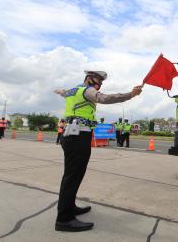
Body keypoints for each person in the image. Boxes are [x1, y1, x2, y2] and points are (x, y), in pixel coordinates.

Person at [53, 70, 142, 232]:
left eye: (100, 83)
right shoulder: (87, 90)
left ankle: (69, 207)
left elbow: (62, 92)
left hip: (71, 135)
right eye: (97, 81)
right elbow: (104, 98)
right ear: (88, 79)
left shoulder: (72, 91)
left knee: (72, 175)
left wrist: (58, 90)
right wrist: (130, 94)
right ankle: (64, 219)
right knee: (73, 176)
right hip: (78, 136)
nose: (98, 85)